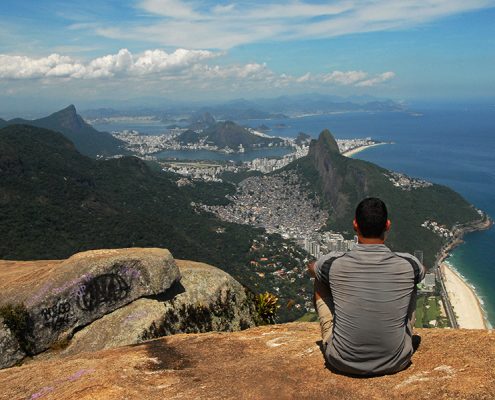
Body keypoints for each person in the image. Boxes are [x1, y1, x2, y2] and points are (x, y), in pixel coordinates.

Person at [307, 197, 425, 376]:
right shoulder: (409, 263)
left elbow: (312, 269)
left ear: (355, 225)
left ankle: (333, 331)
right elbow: (423, 270)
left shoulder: (333, 263)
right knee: (412, 280)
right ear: (387, 225)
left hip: (340, 360)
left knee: (320, 279)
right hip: (397, 360)